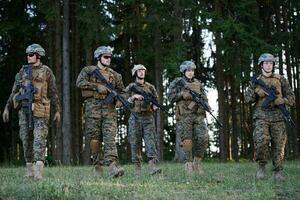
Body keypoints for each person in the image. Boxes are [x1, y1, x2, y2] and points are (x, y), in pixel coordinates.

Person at [2, 43, 61, 180]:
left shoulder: (46, 71)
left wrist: (58, 110)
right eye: (27, 55)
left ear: (38, 56)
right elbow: (14, 91)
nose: (28, 57)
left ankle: (39, 172)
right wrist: (7, 107)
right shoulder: (22, 72)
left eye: (30, 55)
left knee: (39, 139)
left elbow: (53, 92)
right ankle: (30, 170)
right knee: (26, 139)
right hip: (24, 111)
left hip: (40, 110)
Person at [76, 46, 125, 177]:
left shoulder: (115, 75)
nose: (108, 59)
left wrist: (120, 100)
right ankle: (97, 165)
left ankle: (113, 166)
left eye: (110, 57)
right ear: (99, 58)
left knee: (110, 138)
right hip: (93, 110)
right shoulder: (88, 70)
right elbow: (79, 83)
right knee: (94, 139)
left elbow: (122, 91)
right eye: (105, 57)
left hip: (109, 110)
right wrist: (96, 86)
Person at [245, 53, 295, 181]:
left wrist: (282, 101)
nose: (269, 65)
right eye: (266, 63)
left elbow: (291, 98)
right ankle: (261, 168)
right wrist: (257, 93)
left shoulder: (281, 79)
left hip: (278, 116)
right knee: (261, 141)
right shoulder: (255, 80)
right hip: (261, 116)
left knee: (279, 145)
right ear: (261, 65)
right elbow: (247, 99)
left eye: (271, 63)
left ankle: (278, 171)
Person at [167, 61, 209, 176]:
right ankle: (189, 164)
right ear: (184, 71)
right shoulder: (177, 82)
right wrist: (181, 94)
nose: (190, 72)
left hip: (198, 115)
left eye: (192, 70)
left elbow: (204, 98)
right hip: (184, 115)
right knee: (187, 141)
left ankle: (197, 161)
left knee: (203, 138)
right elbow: (170, 97)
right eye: (188, 70)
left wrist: (204, 105)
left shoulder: (198, 83)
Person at [125, 64, 162, 176]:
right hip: (135, 117)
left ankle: (152, 166)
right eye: (139, 71)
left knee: (151, 141)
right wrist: (133, 97)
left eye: (143, 71)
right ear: (135, 73)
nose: (142, 72)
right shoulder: (130, 87)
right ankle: (137, 169)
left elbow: (156, 102)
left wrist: (155, 106)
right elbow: (122, 101)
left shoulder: (150, 87)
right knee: (135, 142)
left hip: (148, 117)